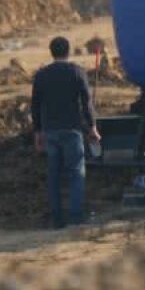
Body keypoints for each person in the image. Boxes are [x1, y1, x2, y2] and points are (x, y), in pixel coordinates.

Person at [31, 36, 99, 228]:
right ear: (68, 51)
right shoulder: (77, 72)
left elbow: (35, 105)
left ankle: (57, 220)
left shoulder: (41, 75)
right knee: (76, 173)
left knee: (53, 176)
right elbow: (86, 103)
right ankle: (76, 218)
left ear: (51, 52)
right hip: (72, 130)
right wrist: (92, 127)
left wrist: (38, 132)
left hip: (50, 132)